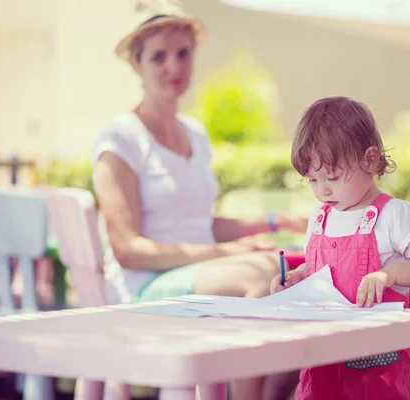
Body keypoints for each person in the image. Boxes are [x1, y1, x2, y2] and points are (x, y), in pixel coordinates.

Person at [91, 2, 302, 398]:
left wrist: (276, 222)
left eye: (184, 52)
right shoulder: (120, 140)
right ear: (136, 65)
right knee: (260, 275)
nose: (175, 66)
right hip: (141, 289)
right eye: (159, 56)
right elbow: (128, 250)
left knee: (290, 276)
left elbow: (200, 223)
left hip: (194, 275)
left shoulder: (196, 134)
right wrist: (224, 253)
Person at [270, 96, 410, 400]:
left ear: (371, 160)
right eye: (312, 180)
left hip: (376, 364)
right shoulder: (320, 217)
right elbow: (322, 272)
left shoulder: (393, 214)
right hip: (322, 354)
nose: (322, 190)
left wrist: (388, 275)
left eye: (332, 177)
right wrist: (299, 277)